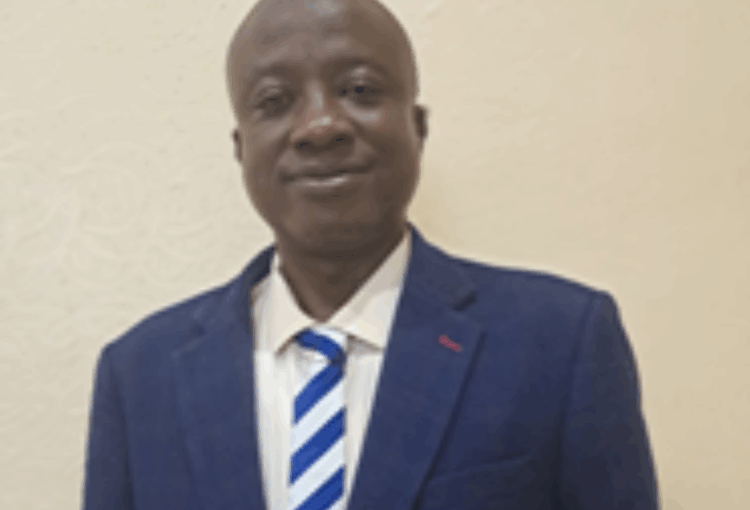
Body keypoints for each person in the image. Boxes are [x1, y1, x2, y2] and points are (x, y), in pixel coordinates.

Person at [82, 0, 659, 509]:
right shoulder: (139, 377)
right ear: (241, 148)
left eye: (359, 90)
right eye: (275, 101)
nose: (319, 126)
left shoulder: (561, 343)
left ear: (418, 126)